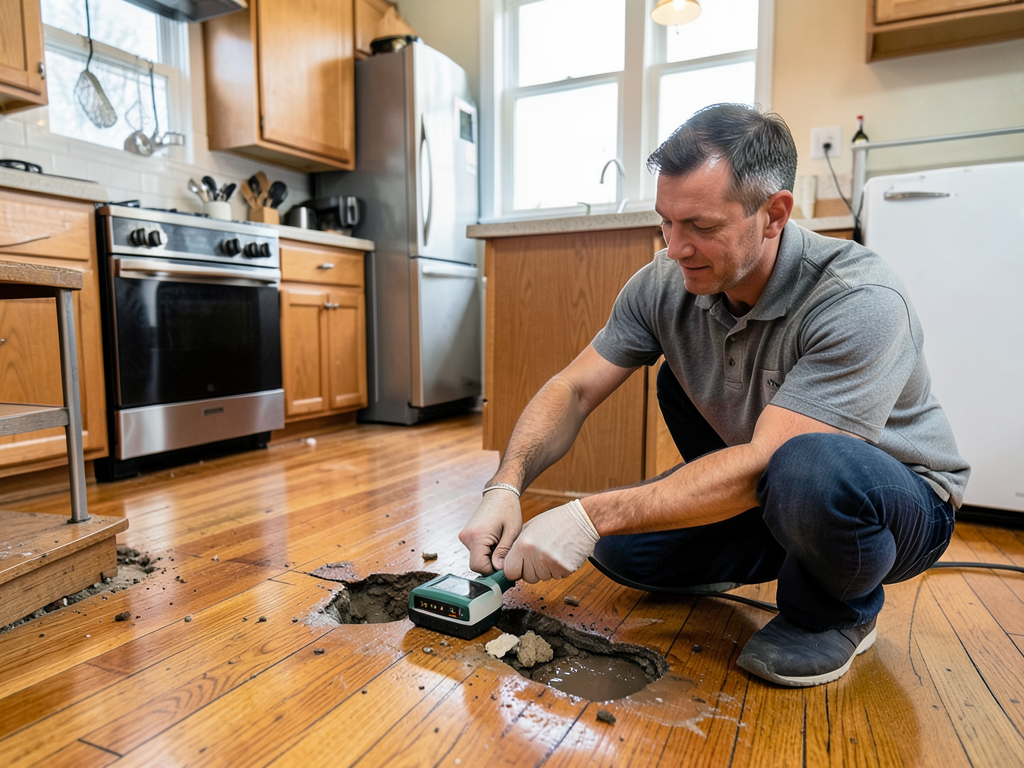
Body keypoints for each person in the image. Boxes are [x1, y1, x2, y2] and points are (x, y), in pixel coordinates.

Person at [459, 103, 968, 688]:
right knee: (625, 553)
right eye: (666, 223)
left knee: (806, 467)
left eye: (701, 226)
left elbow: (767, 457)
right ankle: (789, 540)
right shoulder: (664, 281)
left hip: (893, 503)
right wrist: (507, 482)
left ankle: (836, 613)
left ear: (774, 214)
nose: (675, 248)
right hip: (771, 484)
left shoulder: (860, 299)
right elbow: (573, 389)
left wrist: (586, 514)